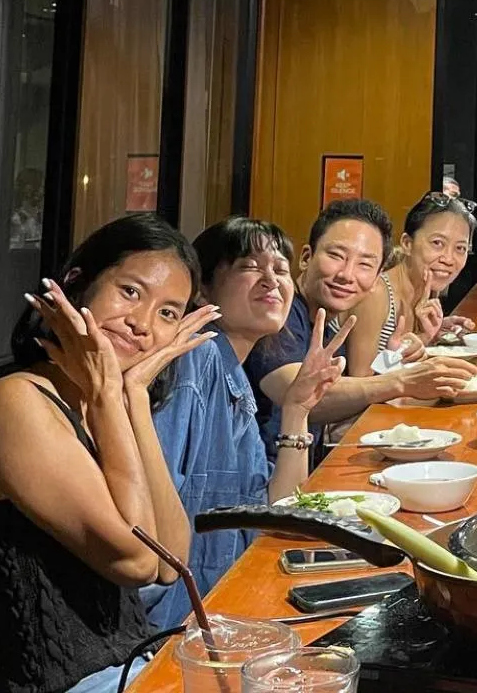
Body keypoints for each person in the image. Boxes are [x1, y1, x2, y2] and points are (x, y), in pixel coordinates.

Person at [0, 215, 217, 693]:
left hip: (133, 669)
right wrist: (107, 396)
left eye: (168, 313)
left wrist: (132, 398)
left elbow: (171, 562)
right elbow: (138, 562)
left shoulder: (100, 407)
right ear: (78, 282)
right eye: (130, 291)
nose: (142, 324)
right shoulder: (15, 401)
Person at [148, 218, 347, 627]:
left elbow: (275, 514)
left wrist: (297, 409)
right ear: (203, 289)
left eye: (280, 268)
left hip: (227, 604)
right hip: (179, 623)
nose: (271, 280)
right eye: (249, 266)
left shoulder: (232, 374)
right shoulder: (195, 360)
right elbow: (150, 524)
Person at [245, 198, 476, 460]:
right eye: (336, 256)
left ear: (377, 276)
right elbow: (301, 396)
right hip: (266, 478)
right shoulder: (278, 316)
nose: (347, 274)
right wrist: (401, 381)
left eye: (364, 264)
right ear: (307, 257)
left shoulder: (323, 321)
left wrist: (394, 357)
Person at [346, 192, 477, 378]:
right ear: (407, 243)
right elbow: (361, 381)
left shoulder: (427, 288)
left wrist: (429, 335)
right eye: (437, 243)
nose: (448, 259)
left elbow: (399, 362)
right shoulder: (376, 293)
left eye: (460, 248)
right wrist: (400, 353)